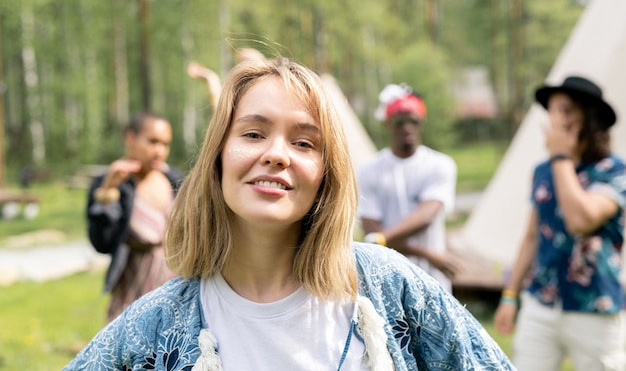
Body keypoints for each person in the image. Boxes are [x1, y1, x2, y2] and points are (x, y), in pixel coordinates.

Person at [64, 57, 514, 370]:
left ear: (325, 173)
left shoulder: (389, 289)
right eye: (254, 133)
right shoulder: (158, 324)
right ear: (219, 156)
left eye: (303, 142)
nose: (277, 154)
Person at [494, 75, 626, 371]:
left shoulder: (614, 171)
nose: (555, 120)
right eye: (552, 111)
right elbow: (531, 237)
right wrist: (511, 294)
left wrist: (562, 156)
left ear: (588, 120)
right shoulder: (542, 170)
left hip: (594, 306)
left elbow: (581, 220)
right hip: (541, 302)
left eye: (565, 110)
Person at [357, 83, 461, 292]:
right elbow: (371, 233)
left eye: (413, 120)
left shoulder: (440, 164)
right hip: (387, 278)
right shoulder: (369, 170)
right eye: (399, 121)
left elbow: (424, 217)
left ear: (421, 122)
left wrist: (382, 238)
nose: (407, 127)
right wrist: (427, 253)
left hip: (432, 280)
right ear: (388, 123)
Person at [86, 111, 184, 322]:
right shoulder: (112, 182)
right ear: (130, 138)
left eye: (165, 144)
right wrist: (107, 194)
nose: (159, 151)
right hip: (132, 282)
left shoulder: (174, 179)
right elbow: (101, 243)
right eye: (153, 142)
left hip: (173, 280)